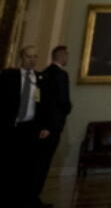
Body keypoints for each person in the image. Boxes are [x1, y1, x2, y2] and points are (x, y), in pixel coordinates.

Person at [1, 46, 49, 208]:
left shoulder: (41, 79)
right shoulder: (9, 76)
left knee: (28, 167)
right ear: (22, 57)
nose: (32, 60)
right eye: (29, 56)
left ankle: (26, 199)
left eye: (35, 56)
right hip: (11, 128)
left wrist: (45, 126)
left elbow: (45, 106)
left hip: (31, 129)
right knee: (9, 165)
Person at [32, 45, 72, 204]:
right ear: (61, 56)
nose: (67, 58)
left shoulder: (44, 73)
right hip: (53, 124)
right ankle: (34, 197)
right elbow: (63, 100)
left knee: (37, 161)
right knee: (43, 162)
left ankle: (31, 196)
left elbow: (38, 101)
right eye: (67, 55)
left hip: (41, 123)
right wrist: (67, 109)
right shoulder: (60, 74)